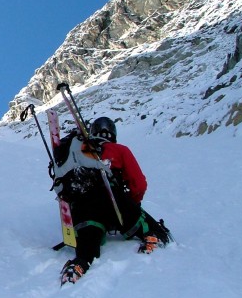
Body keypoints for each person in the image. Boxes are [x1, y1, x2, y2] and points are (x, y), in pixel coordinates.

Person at [58, 117, 171, 285]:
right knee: (143, 221)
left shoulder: (79, 152)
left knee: (89, 240)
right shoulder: (119, 150)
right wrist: (133, 203)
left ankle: (80, 263)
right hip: (114, 203)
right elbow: (138, 184)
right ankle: (153, 235)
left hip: (84, 207)